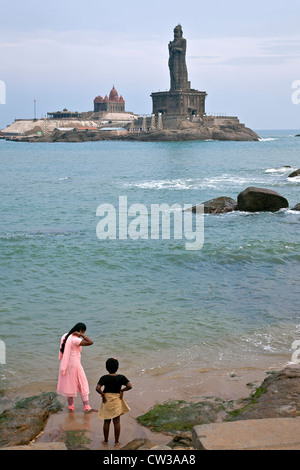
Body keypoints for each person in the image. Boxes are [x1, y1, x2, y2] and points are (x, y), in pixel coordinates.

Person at [57, 322, 94, 412]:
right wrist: (81, 335)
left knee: (69, 385)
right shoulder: (75, 339)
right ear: (81, 330)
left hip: (66, 365)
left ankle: (71, 407)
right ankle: (86, 407)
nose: (83, 335)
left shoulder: (65, 336)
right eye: (83, 332)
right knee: (83, 385)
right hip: (75, 365)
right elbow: (90, 342)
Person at [96, 357, 132, 447]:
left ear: (106, 368)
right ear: (117, 367)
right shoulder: (121, 377)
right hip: (116, 400)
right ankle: (116, 442)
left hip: (107, 400)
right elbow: (130, 386)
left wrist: (103, 394)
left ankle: (105, 441)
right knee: (116, 422)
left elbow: (97, 388)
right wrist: (122, 390)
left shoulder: (104, 378)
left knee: (106, 421)